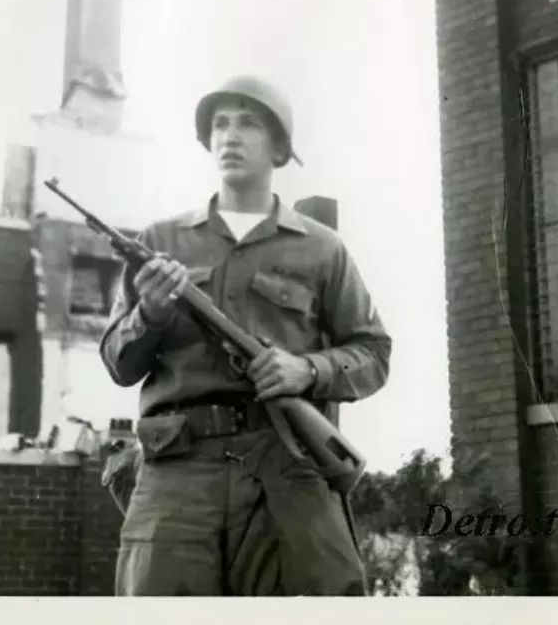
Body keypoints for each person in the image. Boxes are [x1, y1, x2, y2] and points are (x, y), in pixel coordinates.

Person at [100, 75, 392, 596]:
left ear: (279, 147)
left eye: (248, 124)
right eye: (220, 125)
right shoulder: (159, 243)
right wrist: (151, 312)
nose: (230, 137)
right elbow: (119, 363)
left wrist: (307, 369)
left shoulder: (323, 250)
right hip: (179, 470)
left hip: (284, 464)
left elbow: (373, 352)